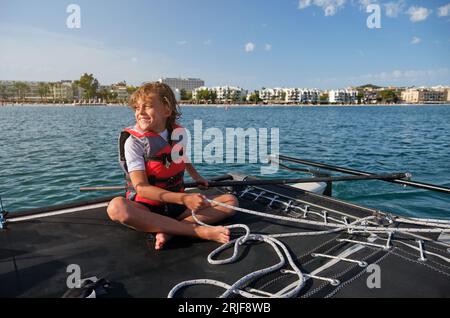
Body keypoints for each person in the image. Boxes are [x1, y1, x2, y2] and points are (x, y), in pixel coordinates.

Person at [107, 82, 239, 250]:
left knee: (230, 201)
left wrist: (197, 177)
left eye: (147, 106)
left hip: (176, 205)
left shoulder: (178, 133)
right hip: (147, 208)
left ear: (167, 110)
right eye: (136, 108)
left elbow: (181, 156)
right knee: (117, 208)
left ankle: (170, 229)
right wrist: (185, 199)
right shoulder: (133, 142)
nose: (139, 112)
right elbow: (141, 188)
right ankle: (198, 231)